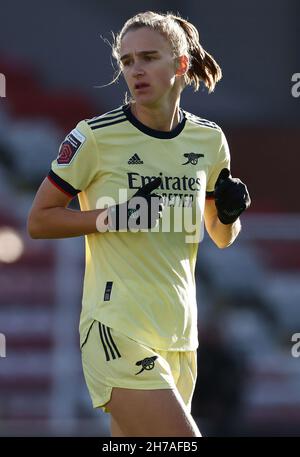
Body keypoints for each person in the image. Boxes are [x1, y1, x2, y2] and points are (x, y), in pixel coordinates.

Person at [27, 11, 251, 437]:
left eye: (148, 57)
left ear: (181, 64)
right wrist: (112, 217)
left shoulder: (209, 140)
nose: (135, 70)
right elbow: (39, 220)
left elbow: (220, 237)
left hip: (180, 335)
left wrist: (228, 214)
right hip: (116, 327)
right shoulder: (94, 136)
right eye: (127, 61)